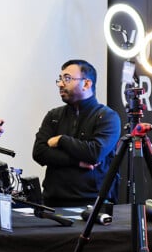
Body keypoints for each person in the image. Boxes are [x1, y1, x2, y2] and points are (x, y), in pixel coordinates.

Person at [32, 59, 121, 208]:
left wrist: (61, 140)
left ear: (86, 84)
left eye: (67, 79)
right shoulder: (54, 116)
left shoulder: (107, 117)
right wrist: (77, 161)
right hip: (52, 201)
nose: (61, 84)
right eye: (60, 79)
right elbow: (39, 152)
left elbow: (94, 153)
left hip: (92, 204)